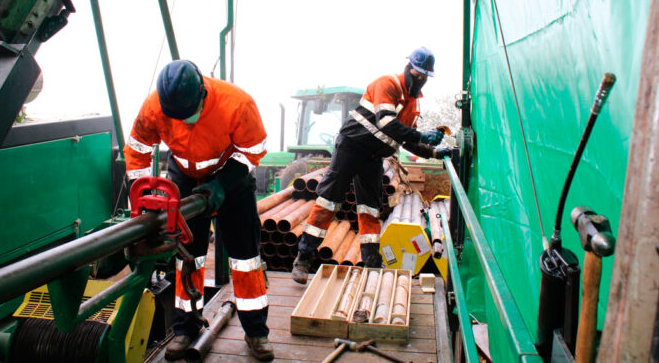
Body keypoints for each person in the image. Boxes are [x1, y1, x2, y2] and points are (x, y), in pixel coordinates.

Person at [124, 60, 273, 361]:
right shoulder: (155, 106)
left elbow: (252, 151)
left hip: (232, 178)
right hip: (182, 175)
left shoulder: (237, 104)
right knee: (188, 256)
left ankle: (256, 331)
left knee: (245, 258)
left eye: (189, 115)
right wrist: (141, 196)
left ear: (203, 93)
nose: (187, 123)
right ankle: (185, 328)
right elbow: (138, 148)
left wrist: (222, 183)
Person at [291, 47, 452, 284]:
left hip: (373, 157)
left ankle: (371, 264)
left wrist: (436, 151)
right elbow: (386, 123)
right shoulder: (387, 84)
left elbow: (406, 139)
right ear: (409, 69)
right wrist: (421, 136)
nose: (420, 80)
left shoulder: (413, 104)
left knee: (370, 209)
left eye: (424, 77)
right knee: (328, 201)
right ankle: (303, 258)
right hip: (351, 148)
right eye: (417, 75)